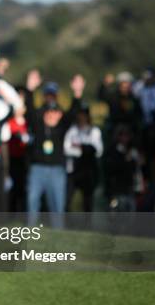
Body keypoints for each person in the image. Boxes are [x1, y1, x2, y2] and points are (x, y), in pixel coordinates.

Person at [24, 74, 83, 225]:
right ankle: (30, 232)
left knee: (58, 205)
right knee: (32, 202)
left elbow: (74, 112)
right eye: (49, 113)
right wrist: (30, 89)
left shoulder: (62, 126)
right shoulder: (38, 123)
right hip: (38, 168)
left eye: (55, 112)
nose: (52, 115)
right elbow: (29, 110)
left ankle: (58, 233)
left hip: (57, 169)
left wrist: (77, 92)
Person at [64, 109, 103, 211]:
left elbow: (98, 150)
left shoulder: (94, 131)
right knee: (68, 197)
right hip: (74, 169)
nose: (82, 118)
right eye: (80, 115)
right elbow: (67, 149)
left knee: (88, 200)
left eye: (84, 115)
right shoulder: (73, 130)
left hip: (88, 170)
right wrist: (83, 150)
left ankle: (87, 224)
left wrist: (79, 146)